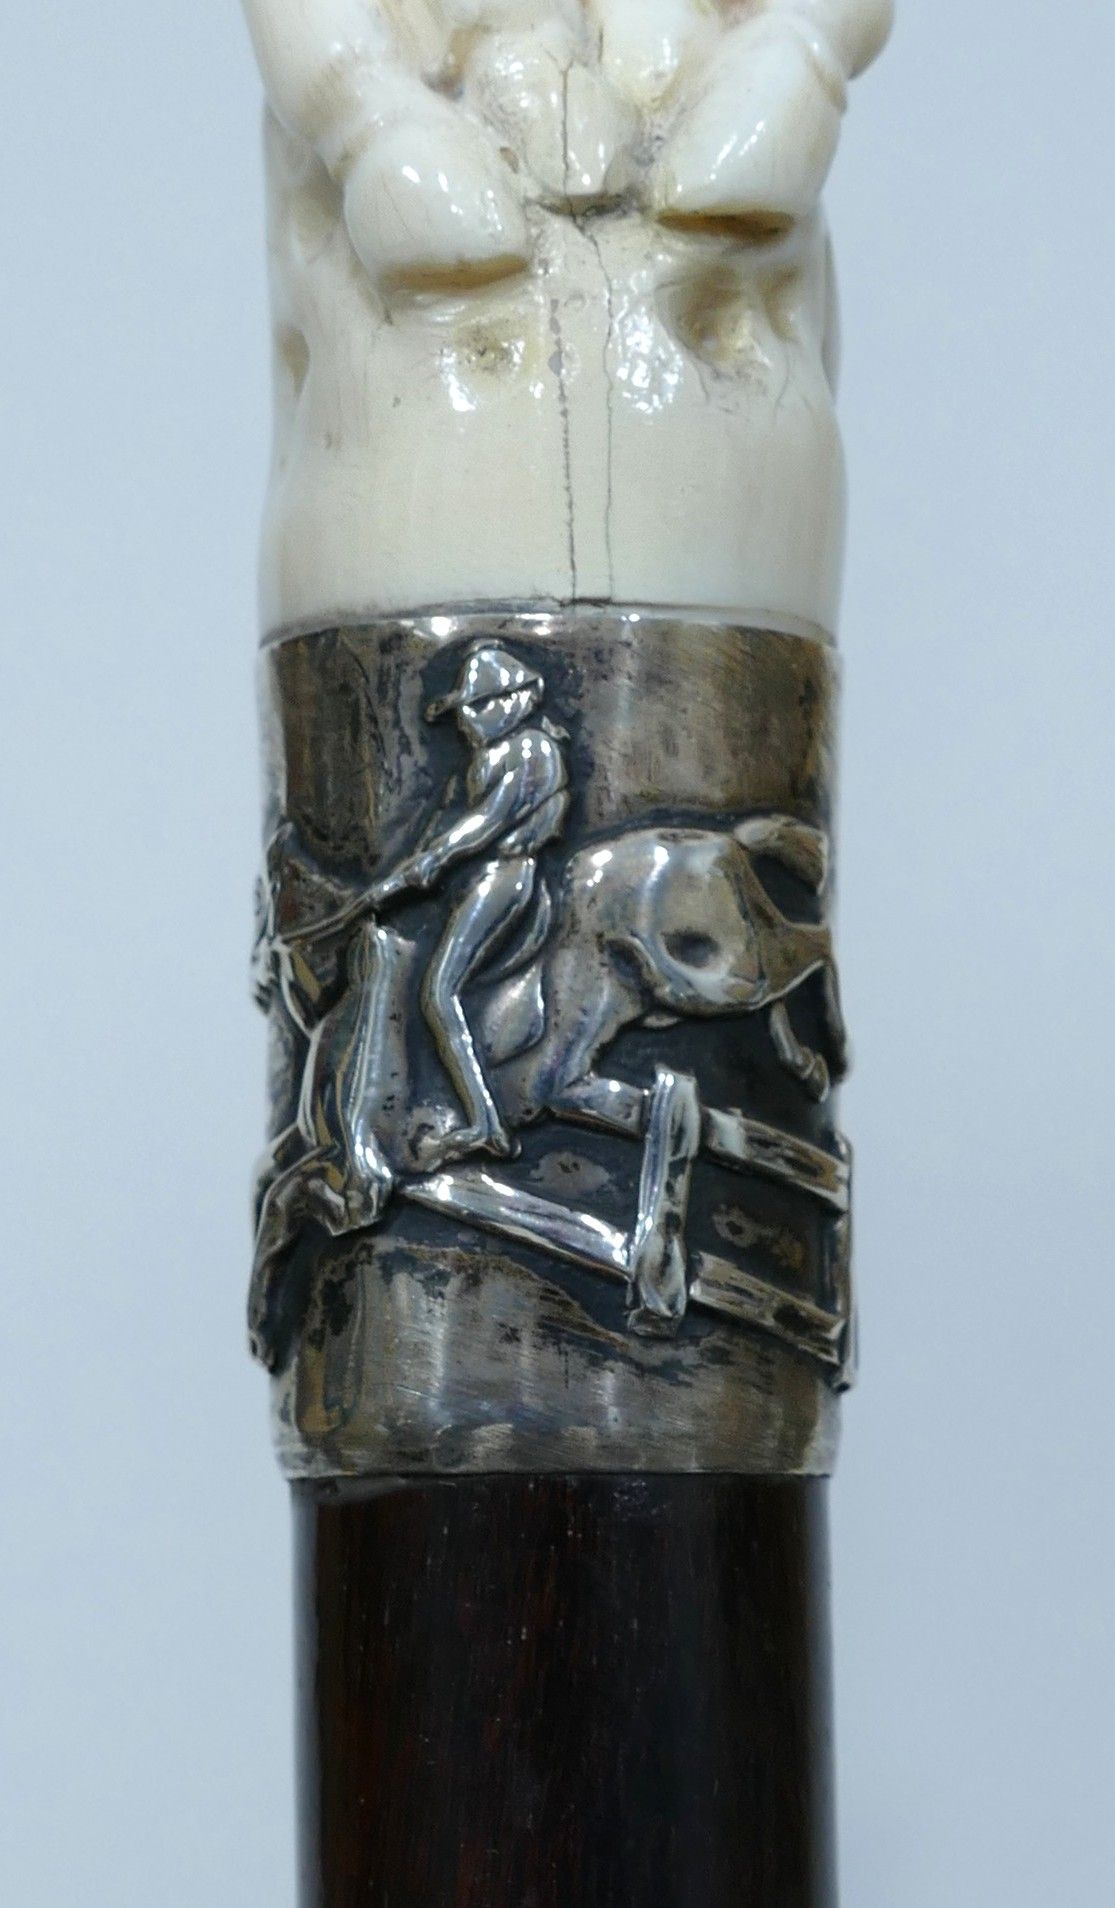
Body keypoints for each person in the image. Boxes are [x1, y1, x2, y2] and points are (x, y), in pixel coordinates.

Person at [369, 645, 569, 1166]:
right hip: (482, 877)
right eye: (463, 711)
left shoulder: (531, 749)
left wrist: (432, 860)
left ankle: (486, 1124)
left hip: (506, 875)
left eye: (475, 708)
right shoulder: (491, 757)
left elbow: (490, 821)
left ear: (512, 701)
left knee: (440, 992)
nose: (465, 722)